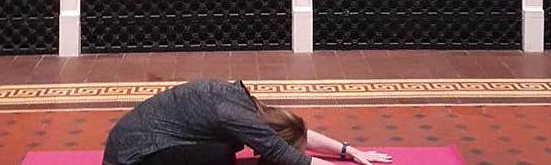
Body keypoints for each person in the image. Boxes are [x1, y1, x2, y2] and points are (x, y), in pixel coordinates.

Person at [103, 79, 393, 165]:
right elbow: (289, 156)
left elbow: (299, 135)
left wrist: (348, 150)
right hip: (131, 158)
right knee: (219, 155)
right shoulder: (239, 118)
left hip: (128, 143)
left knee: (220, 149)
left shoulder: (247, 103)